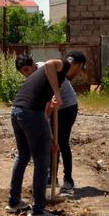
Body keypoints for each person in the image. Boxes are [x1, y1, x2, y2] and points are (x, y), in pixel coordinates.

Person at [8, 51, 87, 216]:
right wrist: (57, 94)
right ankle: (38, 211)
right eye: (79, 68)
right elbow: (51, 63)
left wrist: (51, 138)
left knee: (23, 156)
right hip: (30, 113)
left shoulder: (37, 78)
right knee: (42, 161)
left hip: (17, 111)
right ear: (74, 64)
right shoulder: (62, 66)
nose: (77, 72)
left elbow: (45, 112)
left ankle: (14, 202)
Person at [17, 55, 79, 196]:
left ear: (33, 64)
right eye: (22, 72)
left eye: (27, 69)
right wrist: (44, 121)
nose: (26, 74)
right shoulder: (34, 77)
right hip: (51, 107)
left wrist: (44, 118)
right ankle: (52, 178)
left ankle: (68, 180)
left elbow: (49, 104)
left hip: (67, 106)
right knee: (52, 143)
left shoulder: (46, 69)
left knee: (62, 142)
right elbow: (45, 104)